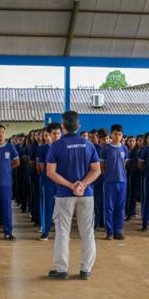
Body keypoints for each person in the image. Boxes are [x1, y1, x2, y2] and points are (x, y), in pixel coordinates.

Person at [46, 110, 101, 280]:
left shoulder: (56, 146)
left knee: (63, 232)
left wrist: (71, 185)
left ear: (62, 127)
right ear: (78, 126)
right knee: (87, 232)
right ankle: (86, 270)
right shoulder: (88, 145)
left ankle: (62, 270)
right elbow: (96, 170)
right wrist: (83, 184)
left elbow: (50, 173)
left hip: (64, 194)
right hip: (86, 194)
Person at [100, 124, 129, 240]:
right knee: (109, 207)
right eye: (115, 134)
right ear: (111, 135)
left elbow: (124, 164)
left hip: (122, 182)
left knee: (120, 207)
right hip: (109, 182)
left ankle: (118, 230)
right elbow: (101, 165)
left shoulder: (124, 148)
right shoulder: (106, 149)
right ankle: (109, 231)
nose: (118, 136)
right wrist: (107, 176)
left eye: (120, 134)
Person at [37, 123, 61, 241]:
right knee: (48, 207)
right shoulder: (43, 149)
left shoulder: (64, 147)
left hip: (62, 183)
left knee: (62, 208)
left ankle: (61, 232)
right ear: (49, 135)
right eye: (53, 133)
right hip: (48, 182)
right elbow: (42, 167)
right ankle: (45, 231)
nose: (56, 136)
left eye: (58, 133)